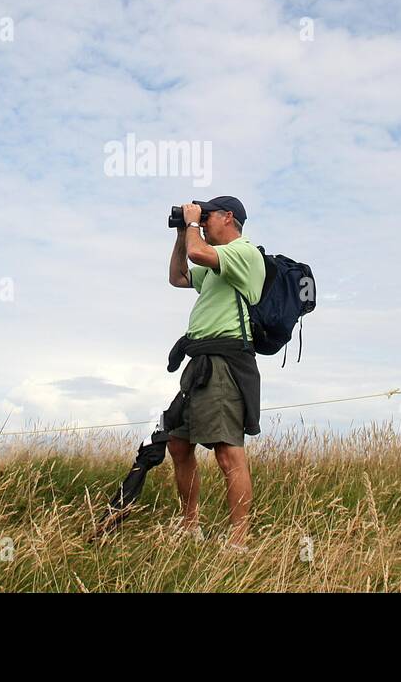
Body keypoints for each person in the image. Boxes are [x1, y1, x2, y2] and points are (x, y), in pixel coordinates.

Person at [166, 195, 265, 551]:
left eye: (208, 216)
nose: (203, 221)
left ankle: (239, 541)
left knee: (227, 452)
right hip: (200, 362)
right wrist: (182, 232)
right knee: (178, 444)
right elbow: (178, 277)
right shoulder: (212, 262)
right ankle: (190, 526)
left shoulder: (244, 253)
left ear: (228, 217)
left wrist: (192, 225)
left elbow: (197, 254)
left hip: (225, 362)